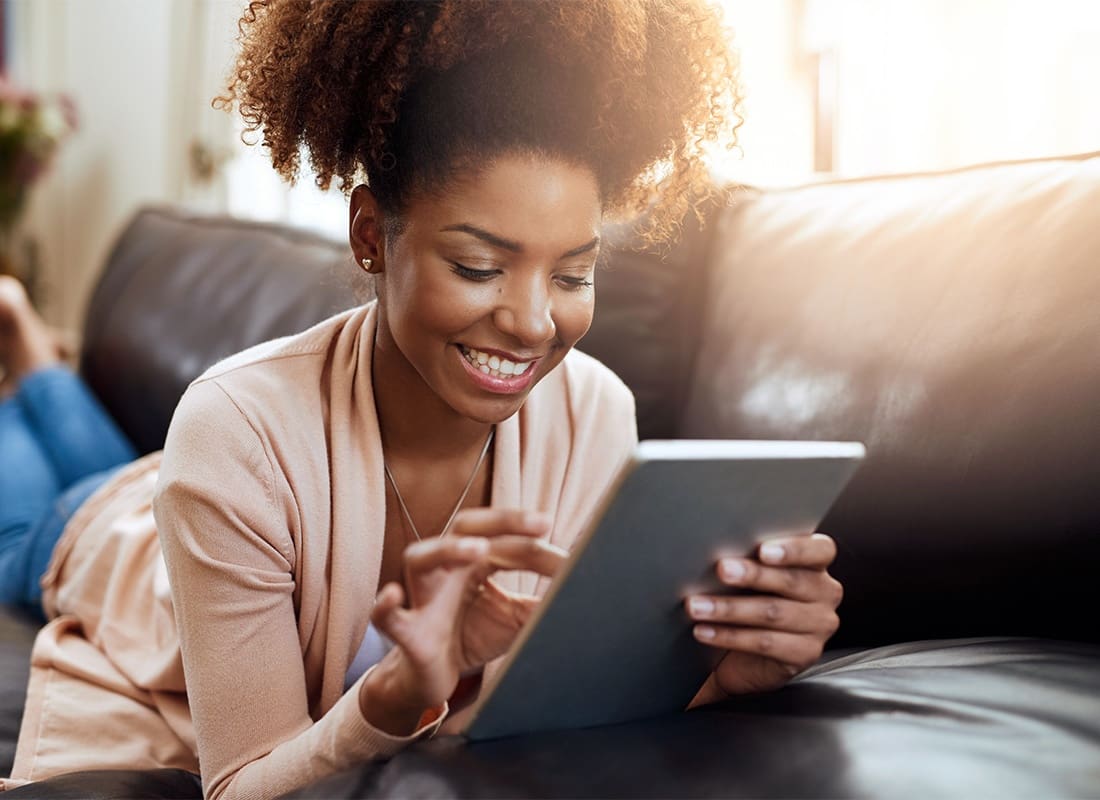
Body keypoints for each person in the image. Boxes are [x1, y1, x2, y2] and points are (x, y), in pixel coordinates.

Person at [2, 2, 843, 798]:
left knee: (97, 446)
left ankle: (29, 347)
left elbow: (565, 704)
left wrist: (724, 676)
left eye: (573, 274)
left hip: (179, 486)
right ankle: (23, 349)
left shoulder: (597, 414)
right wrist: (391, 700)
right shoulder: (231, 430)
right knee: (31, 507)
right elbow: (240, 784)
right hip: (95, 537)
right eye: (478, 267)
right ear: (371, 234)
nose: (533, 323)